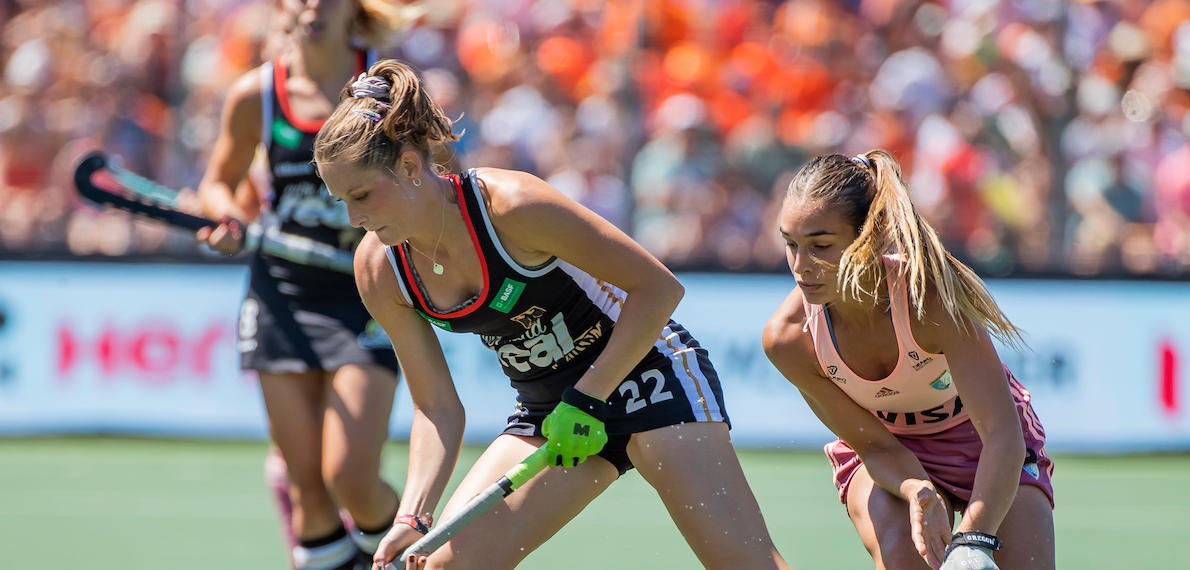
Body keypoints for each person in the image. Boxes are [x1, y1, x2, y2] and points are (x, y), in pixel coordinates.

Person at [312, 59, 793, 570]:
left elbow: (657, 288)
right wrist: (413, 516)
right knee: (441, 567)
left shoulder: (513, 208)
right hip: (549, 411)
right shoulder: (378, 268)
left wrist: (587, 397)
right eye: (342, 200)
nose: (354, 218)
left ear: (410, 166)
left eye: (361, 195)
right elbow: (436, 407)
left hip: (649, 378)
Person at [195, 1, 417, 568]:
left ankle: (417, 560)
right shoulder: (256, 94)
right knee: (307, 495)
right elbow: (217, 183)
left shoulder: (387, 90)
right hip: (282, 298)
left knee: (351, 478)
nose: (312, 6)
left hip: (365, 293)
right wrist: (225, 218)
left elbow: (432, 177)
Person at [762, 151, 1055, 570]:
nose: (800, 266)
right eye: (790, 244)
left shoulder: (932, 298)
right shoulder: (787, 340)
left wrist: (973, 541)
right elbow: (875, 445)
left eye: (821, 246)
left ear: (872, 236)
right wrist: (919, 489)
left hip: (987, 445)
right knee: (904, 555)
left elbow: (1001, 432)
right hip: (890, 453)